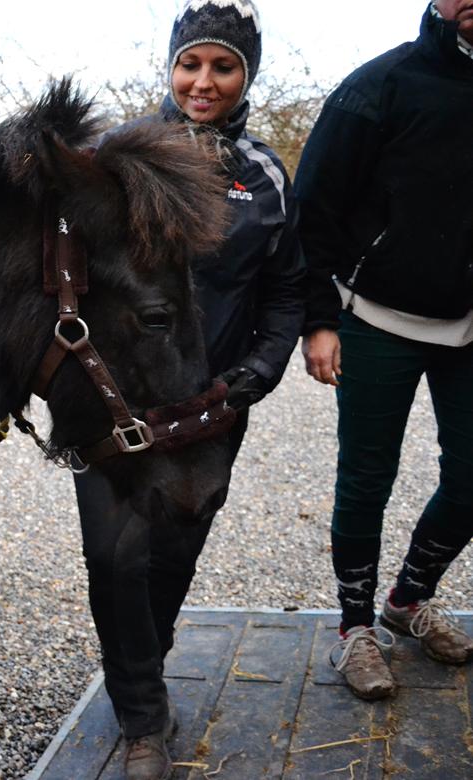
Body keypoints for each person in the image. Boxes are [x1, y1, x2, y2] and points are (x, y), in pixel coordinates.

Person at [75, 2, 305, 778]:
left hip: (212, 404)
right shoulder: (114, 158)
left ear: (247, 76)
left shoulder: (265, 175)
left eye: (223, 66)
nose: (203, 82)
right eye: (190, 63)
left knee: (173, 549)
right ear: (171, 68)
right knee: (114, 557)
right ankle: (144, 719)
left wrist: (261, 371)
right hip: (117, 398)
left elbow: (285, 288)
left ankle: (144, 662)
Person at [296, 0, 473, 701]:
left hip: (468, 327)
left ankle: (407, 600)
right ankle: (354, 629)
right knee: (367, 478)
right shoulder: (378, 85)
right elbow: (313, 207)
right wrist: (319, 320)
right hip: (373, 317)